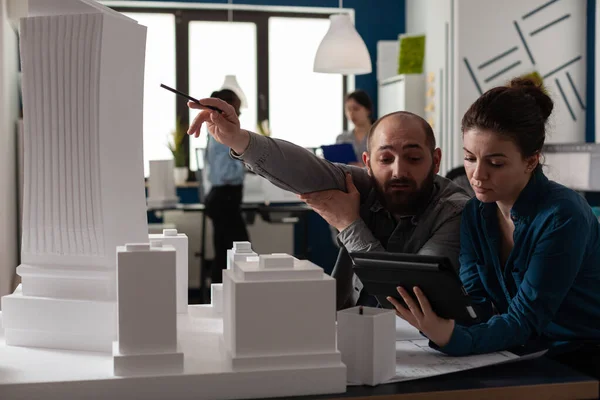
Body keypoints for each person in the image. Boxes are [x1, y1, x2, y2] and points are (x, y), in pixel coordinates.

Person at [384, 78, 600, 378]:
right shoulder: (476, 211)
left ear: (531, 161)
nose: (477, 175)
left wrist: (450, 336)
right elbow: (477, 301)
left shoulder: (563, 216)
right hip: (522, 349)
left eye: (495, 163)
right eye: (469, 158)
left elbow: (525, 320)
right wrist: (443, 318)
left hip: (580, 356)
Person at [187, 98, 471, 310]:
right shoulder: (363, 184)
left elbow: (410, 300)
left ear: (435, 161)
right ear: (367, 164)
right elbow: (307, 169)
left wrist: (349, 226)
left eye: (413, 158)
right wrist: (238, 139)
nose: (398, 171)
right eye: (385, 159)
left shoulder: (455, 211)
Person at [203, 89, 249, 284]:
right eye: (236, 112)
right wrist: (245, 164)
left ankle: (223, 299)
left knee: (226, 252)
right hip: (225, 199)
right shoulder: (222, 135)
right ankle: (224, 298)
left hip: (222, 199)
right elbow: (226, 173)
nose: (238, 117)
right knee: (237, 253)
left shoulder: (215, 134)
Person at [335, 90, 374, 164]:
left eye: (356, 109)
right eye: (348, 109)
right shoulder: (342, 138)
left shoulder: (379, 135)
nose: (351, 113)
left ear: (367, 110)